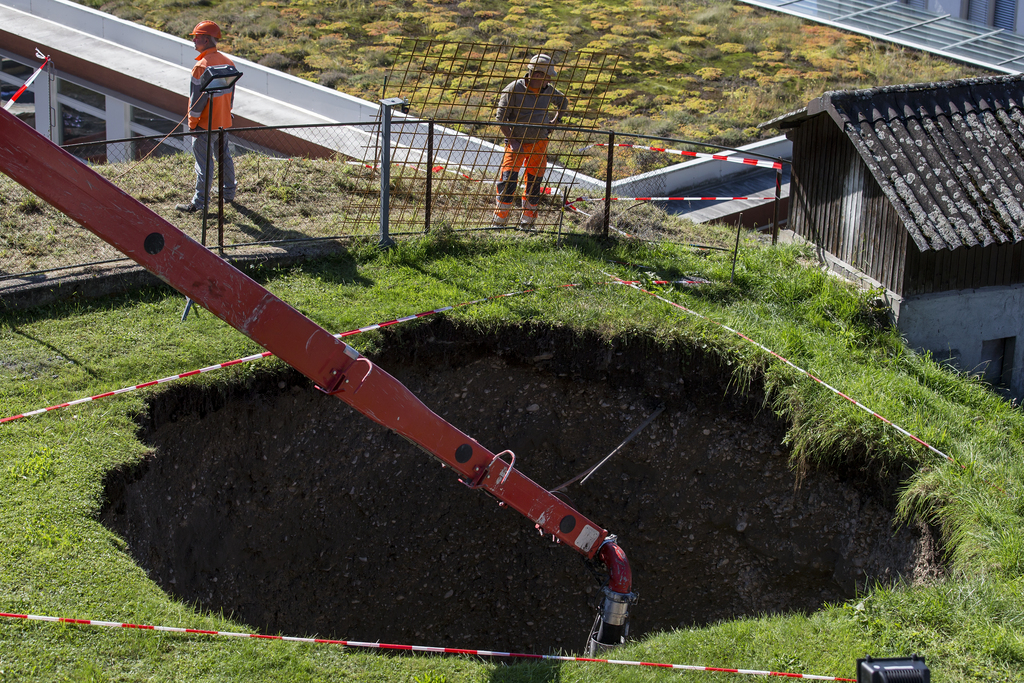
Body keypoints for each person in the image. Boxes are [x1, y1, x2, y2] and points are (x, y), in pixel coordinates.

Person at [493, 54, 568, 227]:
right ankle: (499, 221)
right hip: (516, 143)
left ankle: (527, 223)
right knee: (508, 181)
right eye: (546, 75)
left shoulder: (548, 90)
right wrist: (512, 140)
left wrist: (555, 122)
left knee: (534, 183)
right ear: (536, 74)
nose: (548, 79)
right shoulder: (513, 89)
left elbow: (563, 102)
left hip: (539, 143)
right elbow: (500, 118)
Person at [176, 20, 237, 213]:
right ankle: (228, 194)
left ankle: (199, 203)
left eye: (196, 37)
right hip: (223, 122)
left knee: (204, 164)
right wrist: (227, 115)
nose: (194, 40)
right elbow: (230, 95)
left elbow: (196, 102)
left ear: (206, 39)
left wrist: (192, 124)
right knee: (224, 158)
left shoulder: (201, 67)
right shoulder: (228, 63)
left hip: (204, 125)